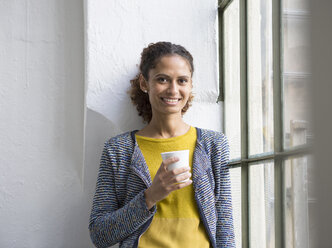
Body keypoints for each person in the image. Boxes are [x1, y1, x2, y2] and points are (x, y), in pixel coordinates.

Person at [89, 41, 235, 248]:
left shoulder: (213, 145)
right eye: (162, 79)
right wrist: (150, 196)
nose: (173, 90)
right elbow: (100, 234)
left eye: (182, 80)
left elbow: (225, 228)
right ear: (144, 83)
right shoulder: (119, 149)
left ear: (191, 85)